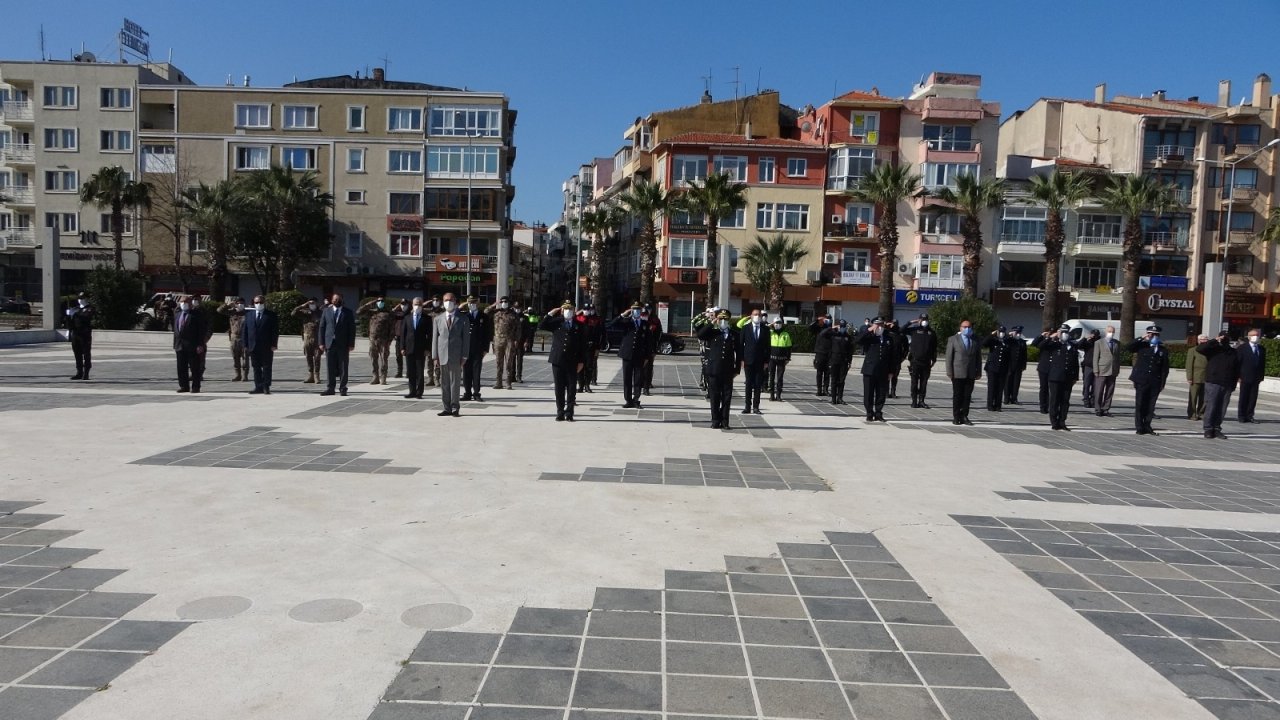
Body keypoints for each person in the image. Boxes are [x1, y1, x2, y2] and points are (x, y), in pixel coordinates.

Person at [540, 301, 588, 421]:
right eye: (566, 309)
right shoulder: (557, 323)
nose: (568, 312)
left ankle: (569, 413)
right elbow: (541, 325)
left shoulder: (579, 325)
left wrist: (582, 361)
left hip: (573, 361)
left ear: (574, 311)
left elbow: (583, 345)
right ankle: (560, 412)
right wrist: (551, 313)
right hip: (558, 360)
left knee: (571, 388)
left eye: (570, 309)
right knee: (559, 388)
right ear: (562, 311)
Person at [695, 309, 740, 429]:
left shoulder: (734, 334)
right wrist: (712, 323)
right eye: (721, 318)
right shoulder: (713, 332)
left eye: (725, 319)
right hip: (714, 370)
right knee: (715, 397)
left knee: (726, 397)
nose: (723, 321)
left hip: (727, 370)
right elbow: (700, 334)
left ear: (729, 320)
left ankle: (725, 421)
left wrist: (737, 370)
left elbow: (739, 353)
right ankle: (715, 420)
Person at [1032, 325, 1079, 431]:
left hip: (1068, 377)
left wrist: (1075, 377)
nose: (1065, 334)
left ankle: (1062, 421)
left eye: (1066, 332)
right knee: (1054, 400)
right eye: (1063, 332)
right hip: (1055, 377)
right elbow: (1040, 346)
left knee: (1065, 401)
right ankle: (1054, 422)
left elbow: (1075, 363)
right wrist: (1050, 337)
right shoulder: (1054, 344)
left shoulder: (1072, 345)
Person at [1128, 324, 1171, 435]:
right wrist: (1142, 338)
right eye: (1152, 334)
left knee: (1151, 405)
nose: (1154, 336)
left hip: (1155, 381)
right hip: (1141, 379)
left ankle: (1147, 425)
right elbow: (1129, 347)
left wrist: (1162, 383)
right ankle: (1139, 427)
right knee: (1140, 403)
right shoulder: (1142, 346)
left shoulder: (1162, 349)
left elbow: (1164, 368)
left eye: (1156, 334)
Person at [432, 292, 470, 416]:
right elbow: (435, 339)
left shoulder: (463, 318)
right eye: (446, 300)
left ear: (455, 302)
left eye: (451, 300)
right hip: (442, 355)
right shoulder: (438, 319)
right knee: (444, 383)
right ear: (443, 302)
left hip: (456, 355)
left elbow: (466, 339)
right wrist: (434, 356)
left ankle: (455, 407)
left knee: (455, 383)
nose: (448, 302)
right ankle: (446, 407)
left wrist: (465, 355)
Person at [1196, 332, 1240, 439]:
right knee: (1212, 405)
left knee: (1222, 408)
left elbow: (1236, 369)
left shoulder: (1233, 352)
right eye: (1223, 337)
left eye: (1227, 337)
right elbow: (1200, 349)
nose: (1225, 339)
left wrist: (1233, 385)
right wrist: (1214, 340)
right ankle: (1208, 429)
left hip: (1227, 383)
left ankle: (1216, 428)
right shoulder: (1213, 349)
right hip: (1213, 382)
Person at [612, 302, 655, 409]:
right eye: (634, 309)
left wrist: (647, 357)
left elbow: (648, 342)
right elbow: (613, 324)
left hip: (639, 356)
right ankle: (628, 400)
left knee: (638, 378)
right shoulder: (627, 322)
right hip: (627, 354)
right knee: (627, 379)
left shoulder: (645, 324)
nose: (636, 311)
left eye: (638, 310)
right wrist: (624, 314)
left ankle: (636, 399)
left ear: (641, 311)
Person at [855, 317, 896, 422]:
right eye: (877, 325)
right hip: (869, 369)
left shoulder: (888, 338)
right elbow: (858, 340)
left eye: (881, 325)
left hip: (883, 370)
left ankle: (878, 413)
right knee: (868, 393)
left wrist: (891, 371)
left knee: (881, 394)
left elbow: (892, 356)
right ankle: (869, 413)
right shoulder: (869, 337)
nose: (879, 327)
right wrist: (869, 329)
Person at [944, 319, 982, 425]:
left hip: (970, 373)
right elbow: (949, 357)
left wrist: (978, 371)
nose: (967, 329)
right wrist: (949, 372)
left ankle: (964, 415)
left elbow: (978, 357)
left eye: (969, 327)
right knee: (957, 395)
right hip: (957, 372)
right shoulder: (953, 339)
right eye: (965, 327)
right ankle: (956, 416)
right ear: (960, 328)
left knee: (967, 396)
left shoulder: (975, 340)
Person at [318, 293, 356, 397]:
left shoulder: (347, 312)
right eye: (334, 299)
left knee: (343, 366)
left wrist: (351, 343)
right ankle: (330, 388)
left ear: (342, 300)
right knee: (330, 367)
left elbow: (352, 329)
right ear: (331, 300)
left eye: (338, 299)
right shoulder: (326, 311)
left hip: (343, 344)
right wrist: (321, 342)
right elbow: (322, 327)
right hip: (329, 343)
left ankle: (343, 388)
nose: (336, 301)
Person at [736, 308, 771, 414]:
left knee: (757, 384)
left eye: (759, 315)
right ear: (751, 316)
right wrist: (741, 359)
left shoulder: (765, 329)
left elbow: (768, 347)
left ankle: (756, 407)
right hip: (748, 360)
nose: (757, 316)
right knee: (748, 384)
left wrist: (766, 361)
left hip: (760, 361)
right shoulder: (745, 328)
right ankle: (747, 406)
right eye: (755, 314)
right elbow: (740, 345)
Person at [243, 295, 279, 395]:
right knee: (256, 367)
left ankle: (266, 386)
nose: (259, 304)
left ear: (264, 303)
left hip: (266, 346)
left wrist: (274, 344)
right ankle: (258, 386)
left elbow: (274, 331)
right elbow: (245, 331)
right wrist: (245, 344)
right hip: (253, 346)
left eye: (261, 302)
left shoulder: (271, 315)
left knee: (267, 367)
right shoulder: (249, 315)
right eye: (256, 302)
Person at [172, 295, 208, 393]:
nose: (183, 304)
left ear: (190, 304)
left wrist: (200, 344)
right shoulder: (177, 314)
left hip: (193, 345)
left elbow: (201, 331)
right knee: (181, 367)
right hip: (179, 345)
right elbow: (176, 330)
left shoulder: (196, 315)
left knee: (194, 367)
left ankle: (196, 386)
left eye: (185, 302)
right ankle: (184, 386)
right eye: (182, 302)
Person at [902, 314, 938, 409]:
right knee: (914, 382)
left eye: (926, 319)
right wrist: (910, 322)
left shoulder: (931, 332)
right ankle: (914, 401)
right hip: (915, 361)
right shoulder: (914, 330)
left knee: (924, 382)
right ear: (919, 320)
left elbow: (934, 347)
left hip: (926, 362)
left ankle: (921, 401)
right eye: (922, 319)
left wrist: (934, 359)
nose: (924, 321)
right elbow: (901, 330)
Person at [460, 295, 492, 401]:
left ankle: (476, 393)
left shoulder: (484, 316)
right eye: (469, 303)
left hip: (478, 349)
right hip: (466, 348)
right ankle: (467, 392)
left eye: (473, 303)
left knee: (476, 372)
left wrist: (486, 349)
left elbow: (488, 333)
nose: (471, 305)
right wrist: (461, 306)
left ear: (477, 304)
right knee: (466, 371)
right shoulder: (464, 316)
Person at [357, 296, 395, 385]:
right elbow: (359, 312)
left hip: (384, 340)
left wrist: (390, 340)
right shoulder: (372, 313)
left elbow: (392, 328)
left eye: (382, 301)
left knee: (384, 360)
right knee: (373, 358)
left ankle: (383, 377)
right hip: (373, 339)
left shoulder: (388, 314)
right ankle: (375, 376)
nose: (380, 302)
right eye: (378, 301)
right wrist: (369, 303)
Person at [487, 296, 522, 390]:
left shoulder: (513, 314)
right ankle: (498, 382)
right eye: (502, 301)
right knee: (499, 362)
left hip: (509, 340)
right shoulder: (496, 312)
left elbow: (518, 328)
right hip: (498, 340)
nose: (504, 303)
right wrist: (495, 304)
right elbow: (486, 311)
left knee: (509, 362)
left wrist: (516, 340)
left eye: (505, 301)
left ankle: (508, 382)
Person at [400, 297, 431, 399]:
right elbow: (403, 334)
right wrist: (402, 347)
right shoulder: (407, 318)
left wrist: (428, 348)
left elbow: (430, 335)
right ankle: (411, 391)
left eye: (419, 304)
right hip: (409, 348)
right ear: (412, 305)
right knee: (411, 371)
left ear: (422, 305)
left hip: (421, 349)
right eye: (415, 304)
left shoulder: (427, 318)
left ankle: (419, 392)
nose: (417, 306)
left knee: (419, 371)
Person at [1237, 328, 1267, 424]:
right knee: (1244, 397)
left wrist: (1261, 376)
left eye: (1257, 335)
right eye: (1254, 335)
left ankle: (1250, 415)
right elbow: (1238, 363)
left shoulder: (1261, 349)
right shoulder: (1242, 348)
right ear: (1249, 337)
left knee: (1253, 397)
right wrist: (1238, 376)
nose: (1256, 337)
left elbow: (1262, 364)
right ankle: (1241, 415)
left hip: (1256, 377)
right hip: (1244, 376)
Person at [1091, 325, 1122, 417]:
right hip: (1102, 369)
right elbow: (1095, 357)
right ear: (1105, 332)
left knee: (1110, 391)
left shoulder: (1117, 343)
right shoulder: (1099, 342)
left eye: (1112, 332)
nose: (1111, 333)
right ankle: (1098, 408)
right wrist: (1096, 370)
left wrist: (1117, 369)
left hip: (1113, 370)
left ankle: (1106, 408)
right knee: (1099, 390)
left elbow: (1117, 357)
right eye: (1109, 331)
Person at [217, 297, 251, 382]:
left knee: (245, 358)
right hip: (234, 338)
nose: (240, 304)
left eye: (242, 303)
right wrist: (227, 305)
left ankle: (245, 375)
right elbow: (219, 310)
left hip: (244, 338)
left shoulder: (247, 313)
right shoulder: (232, 313)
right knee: (235, 358)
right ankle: (238, 375)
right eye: (238, 303)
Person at [822, 320, 855, 405]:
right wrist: (831, 328)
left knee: (841, 380)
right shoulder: (833, 335)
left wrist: (850, 361)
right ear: (838, 327)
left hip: (844, 361)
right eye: (841, 326)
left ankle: (840, 398)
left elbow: (850, 350)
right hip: (834, 360)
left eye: (844, 327)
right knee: (834, 380)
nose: (842, 328)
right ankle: (833, 399)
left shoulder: (848, 336)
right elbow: (822, 334)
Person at [293, 298, 324, 383]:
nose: (311, 304)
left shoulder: (320, 312)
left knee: (317, 357)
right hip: (307, 337)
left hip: (317, 338)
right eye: (310, 303)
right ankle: (310, 375)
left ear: (317, 303)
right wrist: (303, 305)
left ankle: (316, 375)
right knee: (308, 357)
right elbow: (293, 313)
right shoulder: (305, 312)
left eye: (313, 303)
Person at [982, 326, 1012, 412]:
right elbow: (984, 343)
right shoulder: (993, 340)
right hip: (992, 367)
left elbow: (1009, 356)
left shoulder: (1007, 342)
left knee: (1000, 387)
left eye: (1003, 332)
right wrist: (991, 334)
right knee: (992, 387)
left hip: (1003, 368)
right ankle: (990, 405)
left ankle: (998, 405)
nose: (1001, 333)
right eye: (1000, 331)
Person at [66, 292, 94, 380]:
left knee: (86, 354)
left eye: (82, 298)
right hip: (75, 334)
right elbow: (71, 323)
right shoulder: (76, 309)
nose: (80, 300)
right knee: (77, 354)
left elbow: (86, 318)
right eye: (79, 298)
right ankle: (79, 372)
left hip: (84, 334)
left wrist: (75, 314)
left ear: (87, 299)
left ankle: (86, 373)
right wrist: (68, 316)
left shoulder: (90, 308)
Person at [578, 303, 604, 392]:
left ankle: (587, 385)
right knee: (580, 366)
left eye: (588, 309)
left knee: (589, 366)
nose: (587, 311)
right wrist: (580, 312)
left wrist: (598, 348)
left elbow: (599, 335)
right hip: (581, 346)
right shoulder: (579, 318)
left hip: (591, 346)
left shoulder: (595, 320)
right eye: (585, 309)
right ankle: (580, 385)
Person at [767, 317, 793, 401]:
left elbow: (789, 347)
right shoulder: (770, 333)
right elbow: (763, 331)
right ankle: (771, 395)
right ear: (773, 324)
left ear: (782, 324)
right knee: (771, 377)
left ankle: (778, 395)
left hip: (782, 359)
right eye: (776, 323)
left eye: (779, 323)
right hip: (772, 359)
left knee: (780, 377)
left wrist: (788, 358)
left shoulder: (786, 334)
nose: (777, 324)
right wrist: (769, 326)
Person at [1184, 333, 1209, 421]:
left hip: (1207, 377)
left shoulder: (1210, 350)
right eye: (1202, 340)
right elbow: (1189, 364)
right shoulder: (1193, 350)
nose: (1204, 341)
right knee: (1193, 397)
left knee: (1205, 397)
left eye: (1205, 340)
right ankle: (1192, 413)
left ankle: (1201, 413)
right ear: (1198, 341)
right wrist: (1189, 377)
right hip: (1196, 377)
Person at [642, 303, 663, 396]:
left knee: (649, 367)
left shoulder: (655, 320)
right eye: (646, 309)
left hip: (651, 346)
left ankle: (647, 386)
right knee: (640, 367)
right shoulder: (641, 318)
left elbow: (659, 333)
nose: (648, 311)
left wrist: (656, 347)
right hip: (641, 347)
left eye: (649, 309)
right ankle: (639, 384)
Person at [1004, 326, 1028, 405]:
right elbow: (1004, 339)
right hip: (1009, 365)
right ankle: (1006, 398)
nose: (1018, 334)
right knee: (1008, 382)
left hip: (1018, 365)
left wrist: (1024, 365)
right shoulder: (1010, 340)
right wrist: (1009, 335)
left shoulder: (1022, 342)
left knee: (1016, 382)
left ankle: (1014, 398)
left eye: (1019, 333)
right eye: (1017, 332)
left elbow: (1024, 355)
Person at [809, 315, 833, 396]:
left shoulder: (831, 329)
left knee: (827, 373)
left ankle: (825, 389)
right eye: (826, 319)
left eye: (829, 319)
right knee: (819, 372)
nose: (827, 320)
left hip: (829, 353)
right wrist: (817, 320)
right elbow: (810, 327)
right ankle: (819, 389)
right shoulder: (819, 328)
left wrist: (831, 326)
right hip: (820, 353)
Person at [884, 319, 908, 399]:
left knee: (895, 376)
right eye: (892, 324)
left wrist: (903, 357)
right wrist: (886, 324)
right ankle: (886, 392)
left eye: (895, 324)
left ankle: (893, 392)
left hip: (897, 359)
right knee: (886, 376)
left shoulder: (901, 335)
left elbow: (906, 347)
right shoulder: (887, 333)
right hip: (887, 359)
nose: (893, 325)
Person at [1078, 329, 1100, 409]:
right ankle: (1086, 400)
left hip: (1097, 366)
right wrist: (1085, 338)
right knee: (1086, 384)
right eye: (1093, 334)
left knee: (1095, 385)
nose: (1094, 336)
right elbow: (1079, 345)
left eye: (1096, 335)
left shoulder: (1100, 342)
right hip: (1088, 365)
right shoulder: (1088, 343)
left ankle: (1093, 400)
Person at [390, 298, 408, 379]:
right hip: (398, 337)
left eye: (405, 304)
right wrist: (396, 307)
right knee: (398, 355)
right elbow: (390, 313)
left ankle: (409, 371)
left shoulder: (410, 313)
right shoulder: (397, 313)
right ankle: (399, 371)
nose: (403, 306)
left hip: (408, 337)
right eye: (402, 304)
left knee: (408, 355)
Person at [1036, 329, 1052, 414]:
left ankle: (1050, 406)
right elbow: (1036, 345)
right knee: (1044, 387)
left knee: (1052, 389)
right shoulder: (1044, 340)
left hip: (1053, 368)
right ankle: (1043, 406)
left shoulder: (1057, 341)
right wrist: (1043, 336)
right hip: (1043, 368)